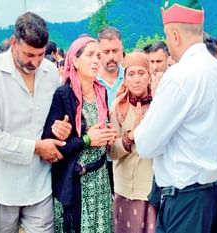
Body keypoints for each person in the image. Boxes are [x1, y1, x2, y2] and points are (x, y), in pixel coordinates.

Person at [134, 0, 217, 232]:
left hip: (187, 201)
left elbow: (146, 145)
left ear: (174, 35)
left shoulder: (179, 76)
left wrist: (143, 125)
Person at [0, 12, 67, 233]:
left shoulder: (51, 72)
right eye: (28, 54)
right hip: (1, 184)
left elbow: (52, 121)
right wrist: (35, 147)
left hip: (39, 183)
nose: (35, 62)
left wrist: (60, 129)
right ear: (13, 42)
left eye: (41, 55)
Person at [42, 36, 116, 233]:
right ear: (74, 61)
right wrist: (87, 139)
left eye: (98, 56)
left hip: (99, 179)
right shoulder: (64, 95)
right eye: (90, 55)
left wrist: (107, 136)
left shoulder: (101, 92)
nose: (96, 61)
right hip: (76, 181)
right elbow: (54, 147)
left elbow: (100, 130)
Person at [110, 51, 156, 233]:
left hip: (151, 188)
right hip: (125, 189)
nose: (136, 79)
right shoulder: (118, 107)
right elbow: (111, 151)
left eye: (141, 73)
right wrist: (130, 136)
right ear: (125, 78)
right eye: (131, 74)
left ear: (149, 76)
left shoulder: (159, 105)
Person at [97, 26, 125, 194]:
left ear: (122, 50)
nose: (111, 56)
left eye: (115, 51)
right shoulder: (91, 81)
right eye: (106, 51)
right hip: (101, 158)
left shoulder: (132, 77)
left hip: (128, 154)